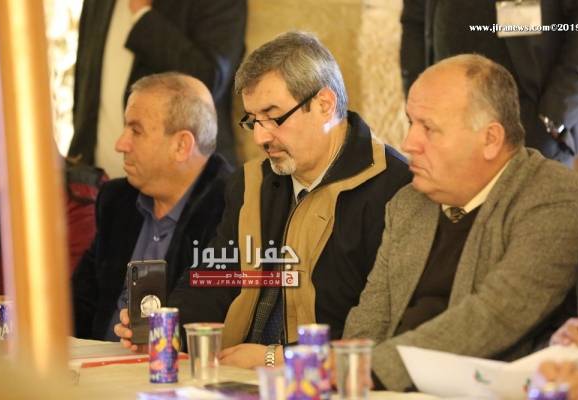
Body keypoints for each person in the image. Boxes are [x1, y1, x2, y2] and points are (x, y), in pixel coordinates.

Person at [116, 31, 412, 364]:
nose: (260, 137)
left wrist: (275, 358)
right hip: (237, 371)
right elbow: (214, 282)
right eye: (253, 120)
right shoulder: (251, 183)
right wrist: (164, 333)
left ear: (324, 105)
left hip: (325, 380)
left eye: (273, 117)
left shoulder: (394, 189)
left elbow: (380, 329)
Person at [343, 54, 578, 391]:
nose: (408, 143)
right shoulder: (408, 204)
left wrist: (374, 368)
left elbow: (498, 313)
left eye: (428, 128)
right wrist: (346, 370)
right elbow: (371, 316)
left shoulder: (553, 196)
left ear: (490, 139)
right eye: (410, 122)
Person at [71, 72, 234, 340]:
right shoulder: (116, 200)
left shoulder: (230, 208)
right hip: (95, 361)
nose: (120, 144)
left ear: (181, 145)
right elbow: (77, 304)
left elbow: (207, 320)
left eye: (136, 131)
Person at [400, 0, 578, 167]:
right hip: (447, 124)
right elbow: (414, 19)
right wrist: (420, 108)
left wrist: (556, 114)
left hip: (533, 121)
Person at [69, 0, 247, 177]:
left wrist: (143, 16)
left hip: (186, 185)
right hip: (96, 181)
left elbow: (209, 80)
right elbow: (85, 83)